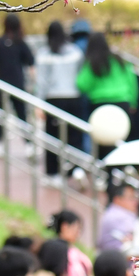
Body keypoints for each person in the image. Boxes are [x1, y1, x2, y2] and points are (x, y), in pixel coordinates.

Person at [34, 22, 86, 177]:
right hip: (73, 98)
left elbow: (40, 82)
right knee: (75, 136)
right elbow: (81, 74)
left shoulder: (43, 54)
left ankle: (53, 173)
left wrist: (38, 104)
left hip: (53, 100)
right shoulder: (75, 52)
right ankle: (76, 169)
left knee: (52, 137)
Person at [76, 32, 138, 157]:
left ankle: (103, 173)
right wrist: (133, 103)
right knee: (121, 141)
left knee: (102, 141)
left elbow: (81, 84)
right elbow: (132, 82)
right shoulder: (119, 60)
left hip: (100, 105)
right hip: (122, 103)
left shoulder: (92, 63)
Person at [0, 14, 35, 143]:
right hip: (18, 83)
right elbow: (31, 62)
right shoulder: (21, 42)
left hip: (1, 83)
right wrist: (33, 82)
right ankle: (28, 144)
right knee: (22, 114)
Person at [49, 210, 94, 276]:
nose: (78, 233)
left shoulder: (73, 250)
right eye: (76, 228)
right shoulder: (59, 250)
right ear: (65, 227)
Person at [98, 182, 139, 253]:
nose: (135, 201)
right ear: (117, 199)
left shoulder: (117, 213)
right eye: (131, 198)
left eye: (135, 197)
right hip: (115, 257)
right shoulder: (116, 215)